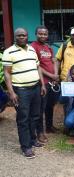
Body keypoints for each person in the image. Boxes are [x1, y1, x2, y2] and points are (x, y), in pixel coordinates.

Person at [2, 28, 47, 158]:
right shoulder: (8, 52)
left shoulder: (32, 49)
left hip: (35, 88)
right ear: (15, 37)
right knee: (23, 118)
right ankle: (26, 147)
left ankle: (32, 140)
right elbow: (7, 73)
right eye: (19, 35)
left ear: (27, 36)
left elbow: (38, 67)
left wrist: (42, 84)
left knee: (35, 116)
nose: (22, 37)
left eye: (24, 35)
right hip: (21, 91)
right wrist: (11, 92)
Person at [31, 26, 59, 143]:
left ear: (47, 35)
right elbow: (37, 66)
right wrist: (51, 75)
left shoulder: (48, 47)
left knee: (50, 106)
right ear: (36, 34)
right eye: (40, 34)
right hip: (43, 83)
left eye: (45, 34)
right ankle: (40, 132)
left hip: (52, 81)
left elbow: (54, 61)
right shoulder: (33, 47)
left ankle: (49, 126)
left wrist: (56, 74)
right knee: (40, 108)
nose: (42, 36)